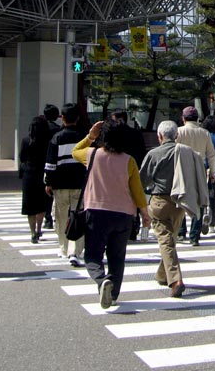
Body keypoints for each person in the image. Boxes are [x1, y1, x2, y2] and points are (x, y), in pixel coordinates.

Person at [73, 120, 151, 310]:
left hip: (97, 212)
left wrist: (90, 136)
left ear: (103, 137)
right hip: (124, 215)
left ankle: (101, 280)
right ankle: (113, 295)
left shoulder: (92, 155)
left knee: (92, 256)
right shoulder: (129, 160)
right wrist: (144, 213)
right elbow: (137, 190)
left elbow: (75, 151)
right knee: (117, 257)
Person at [139, 120, 208, 298]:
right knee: (170, 240)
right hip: (180, 201)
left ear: (159, 136)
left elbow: (142, 180)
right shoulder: (187, 153)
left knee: (166, 241)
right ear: (176, 135)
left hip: (159, 201)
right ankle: (162, 274)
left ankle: (175, 280)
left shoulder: (154, 154)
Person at [44, 103, 87, 266]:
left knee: (62, 217)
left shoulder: (57, 137)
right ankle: (75, 251)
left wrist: (48, 182)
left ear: (62, 118)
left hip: (60, 184)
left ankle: (64, 247)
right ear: (77, 118)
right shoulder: (84, 136)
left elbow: (50, 164)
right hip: (80, 184)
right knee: (78, 216)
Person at [176, 106, 215, 246]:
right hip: (200, 169)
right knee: (199, 202)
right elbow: (211, 154)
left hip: (182, 169)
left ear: (183, 118)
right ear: (197, 118)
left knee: (180, 199)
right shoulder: (204, 133)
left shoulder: (179, 132)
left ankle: (181, 232)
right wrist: (212, 172)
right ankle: (195, 236)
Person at [110, 108, 146, 240]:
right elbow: (142, 151)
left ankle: (121, 227)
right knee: (134, 198)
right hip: (134, 168)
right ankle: (133, 227)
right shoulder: (135, 133)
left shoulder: (113, 134)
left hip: (116, 172)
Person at [19, 115, 53, 245]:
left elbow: (22, 157)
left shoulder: (26, 141)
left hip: (29, 174)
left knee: (30, 205)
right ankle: (39, 229)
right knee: (42, 204)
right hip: (43, 174)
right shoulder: (48, 142)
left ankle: (32, 232)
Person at [43, 104, 62, 230]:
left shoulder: (40, 128)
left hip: (42, 162)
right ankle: (52, 217)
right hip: (55, 163)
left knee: (45, 191)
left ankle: (47, 217)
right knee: (53, 193)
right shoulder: (58, 130)